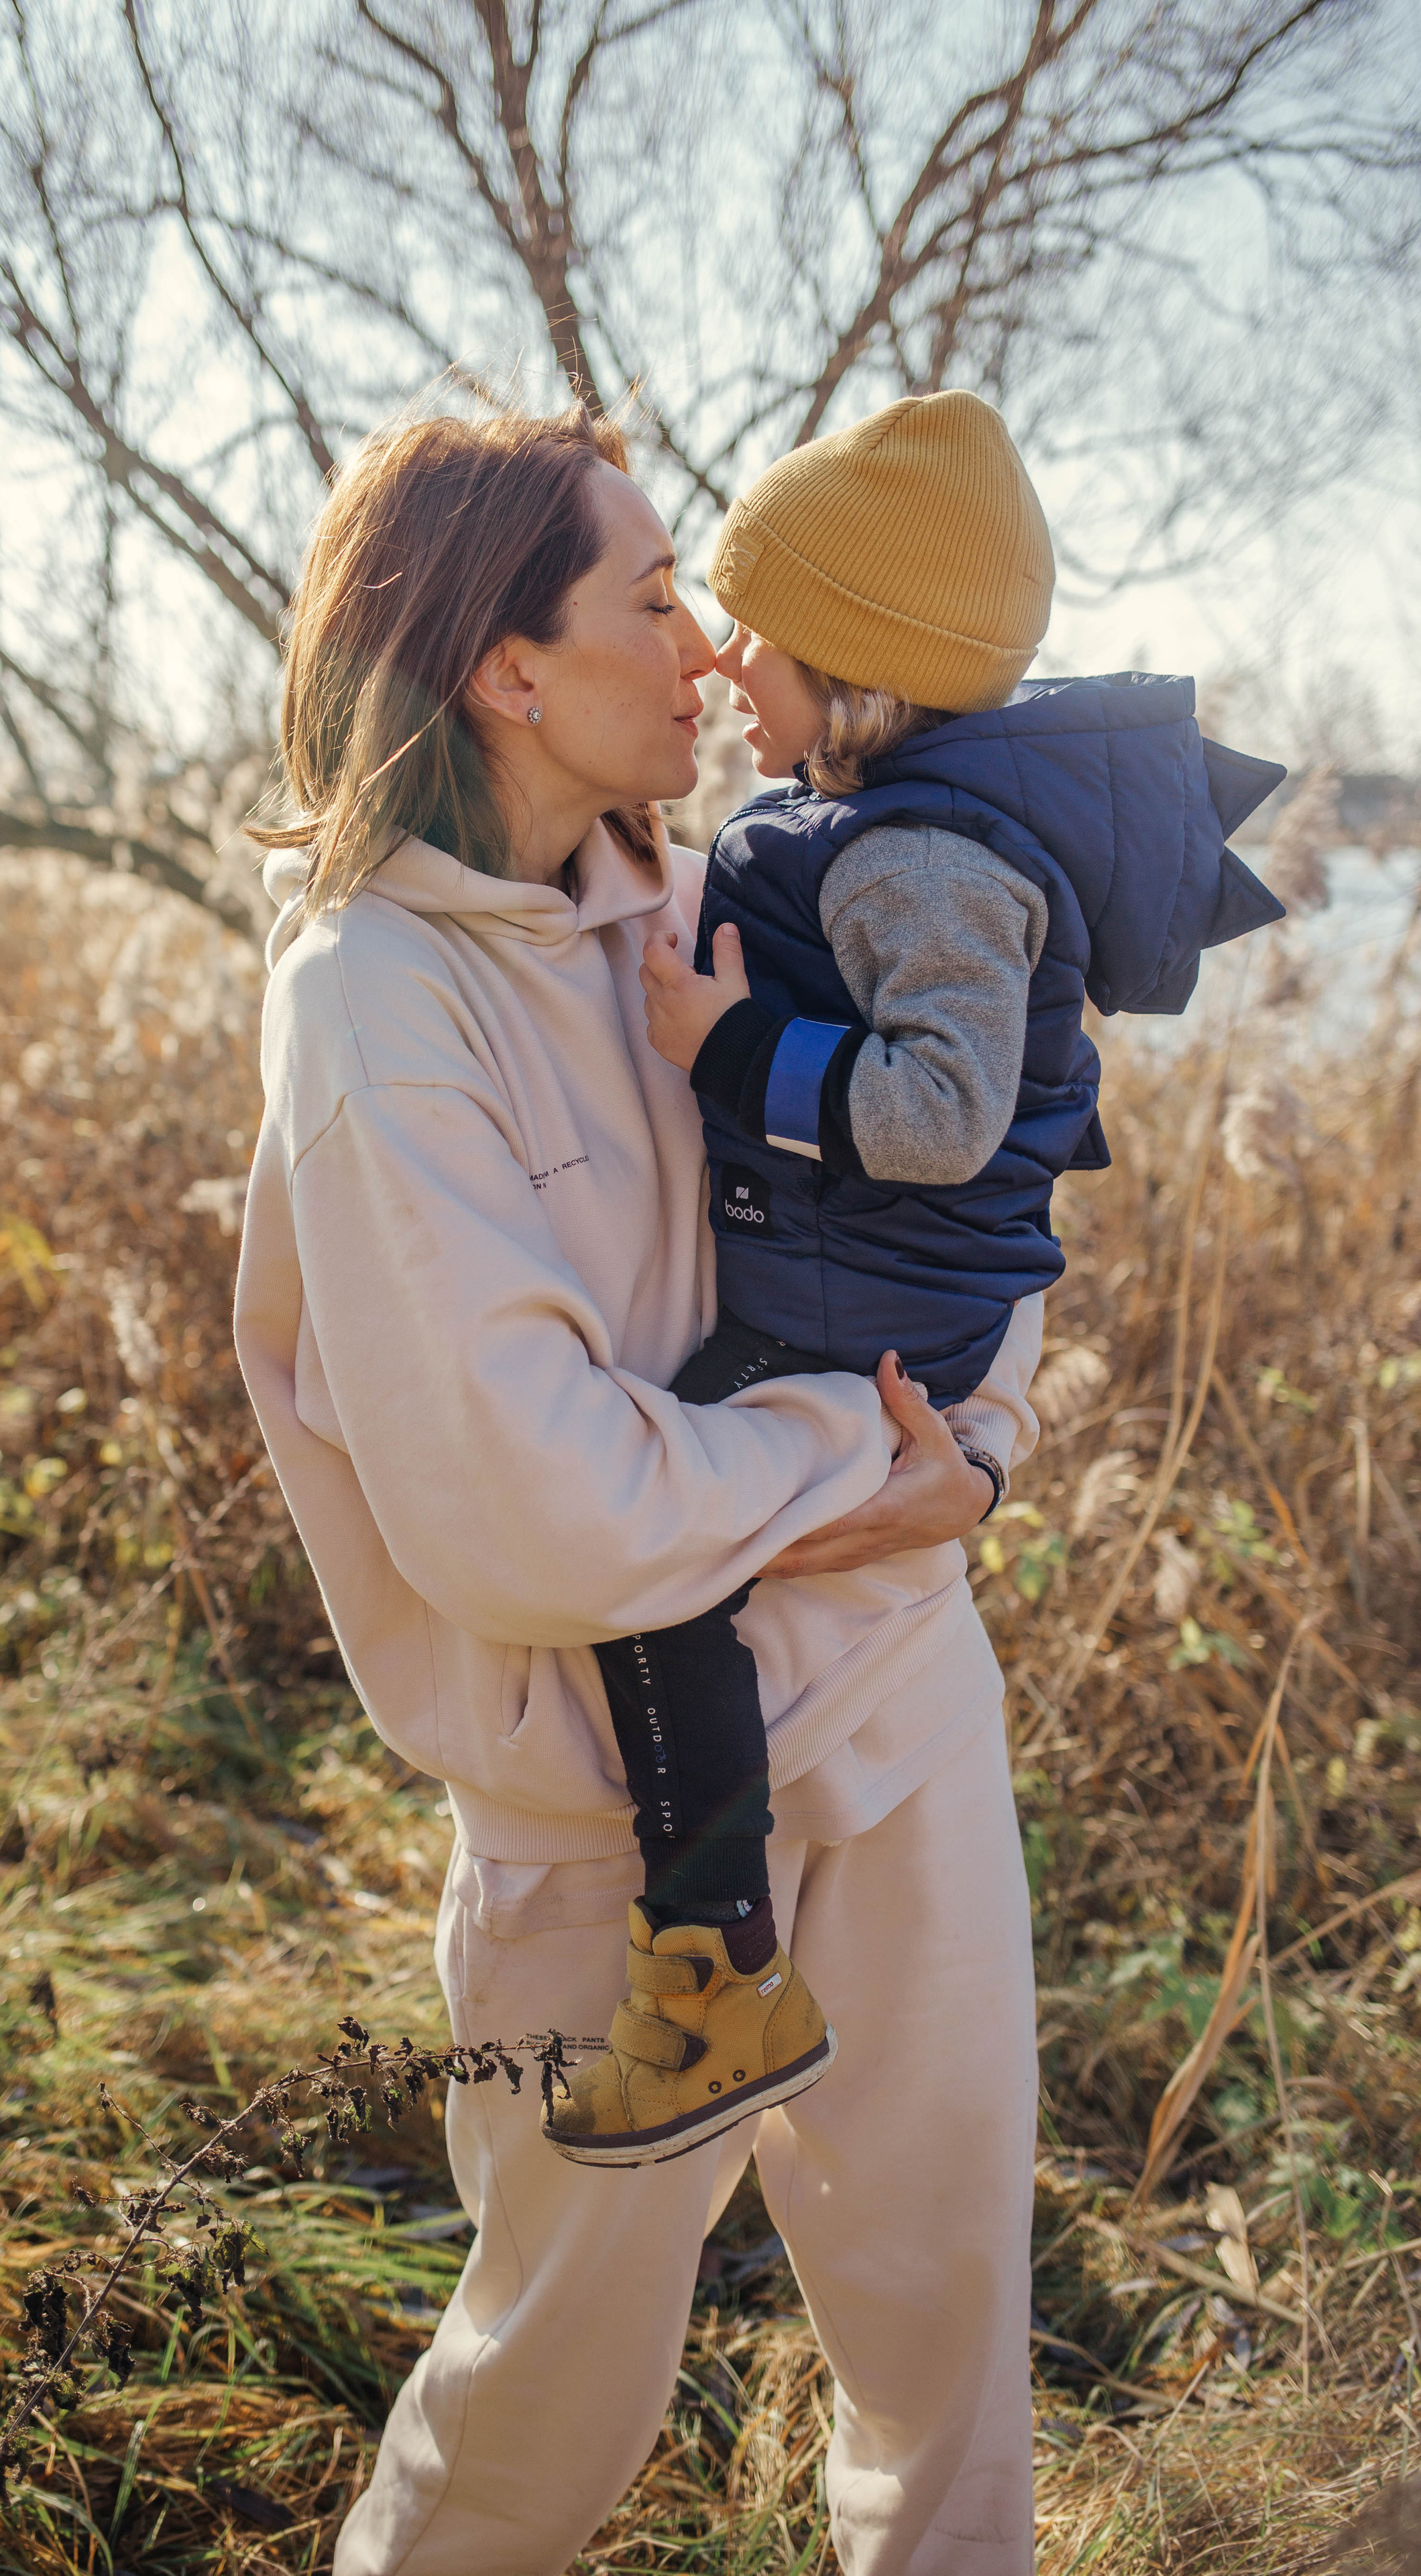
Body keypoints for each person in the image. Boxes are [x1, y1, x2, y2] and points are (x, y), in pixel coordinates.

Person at [237, 398, 1042, 2576]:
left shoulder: (738, 893)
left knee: (957, 2357)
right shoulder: (376, 1007)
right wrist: (842, 1455)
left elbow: (976, 1210)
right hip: (610, 1826)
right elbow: (538, 1510)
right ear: (507, 666)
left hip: (897, 1716)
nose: (708, 651)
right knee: (542, 2410)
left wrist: (973, 1455)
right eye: (656, 594)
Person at [559, 391, 1287, 2168]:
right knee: (653, 1538)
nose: (729, 664)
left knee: (642, 1557)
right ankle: (722, 1958)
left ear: (857, 673)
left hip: (870, 1298)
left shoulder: (923, 856)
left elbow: (944, 1116)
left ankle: (713, 1975)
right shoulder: (887, 820)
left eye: (765, 640)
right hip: (876, 1277)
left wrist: (731, 1048)